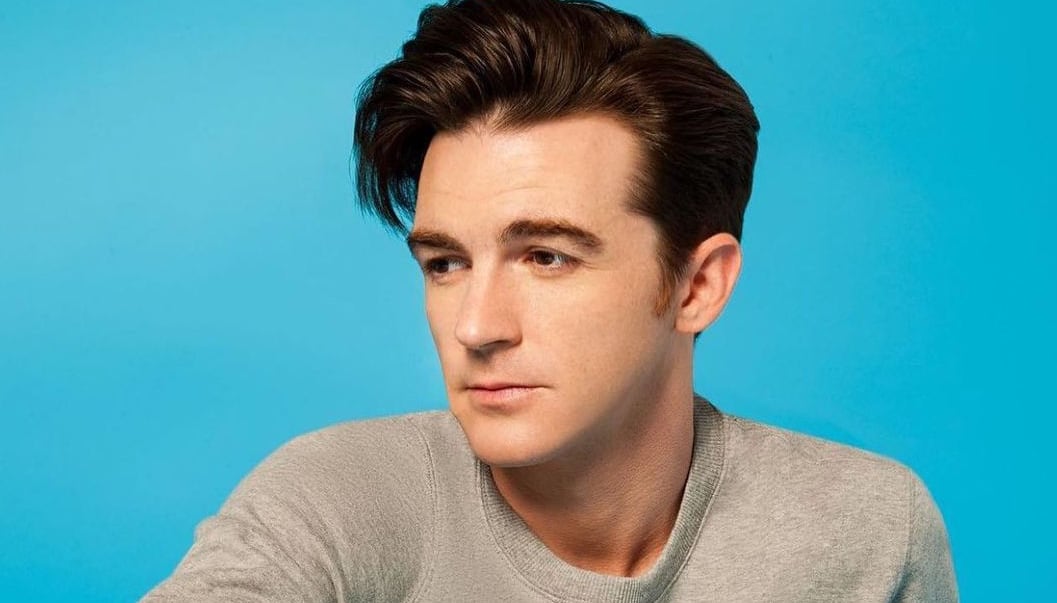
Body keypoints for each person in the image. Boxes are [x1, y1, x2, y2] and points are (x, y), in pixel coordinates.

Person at [143, 0, 957, 600]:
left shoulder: (866, 528)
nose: (475, 326)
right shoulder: (339, 499)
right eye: (445, 262)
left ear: (697, 285)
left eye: (545, 256)